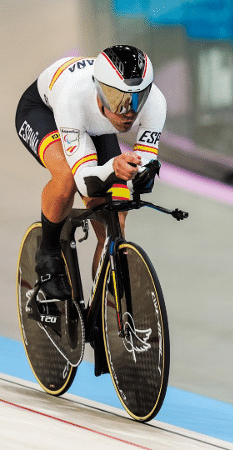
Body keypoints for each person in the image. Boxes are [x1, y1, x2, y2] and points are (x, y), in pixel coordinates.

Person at [15, 45, 166, 301]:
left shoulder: (157, 103)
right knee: (65, 176)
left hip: (97, 124)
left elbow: (145, 167)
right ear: (99, 90)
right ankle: (48, 253)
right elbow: (84, 183)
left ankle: (102, 303)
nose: (128, 112)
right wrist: (114, 168)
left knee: (115, 220)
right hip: (45, 111)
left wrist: (141, 175)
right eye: (118, 99)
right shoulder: (72, 100)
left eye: (138, 99)